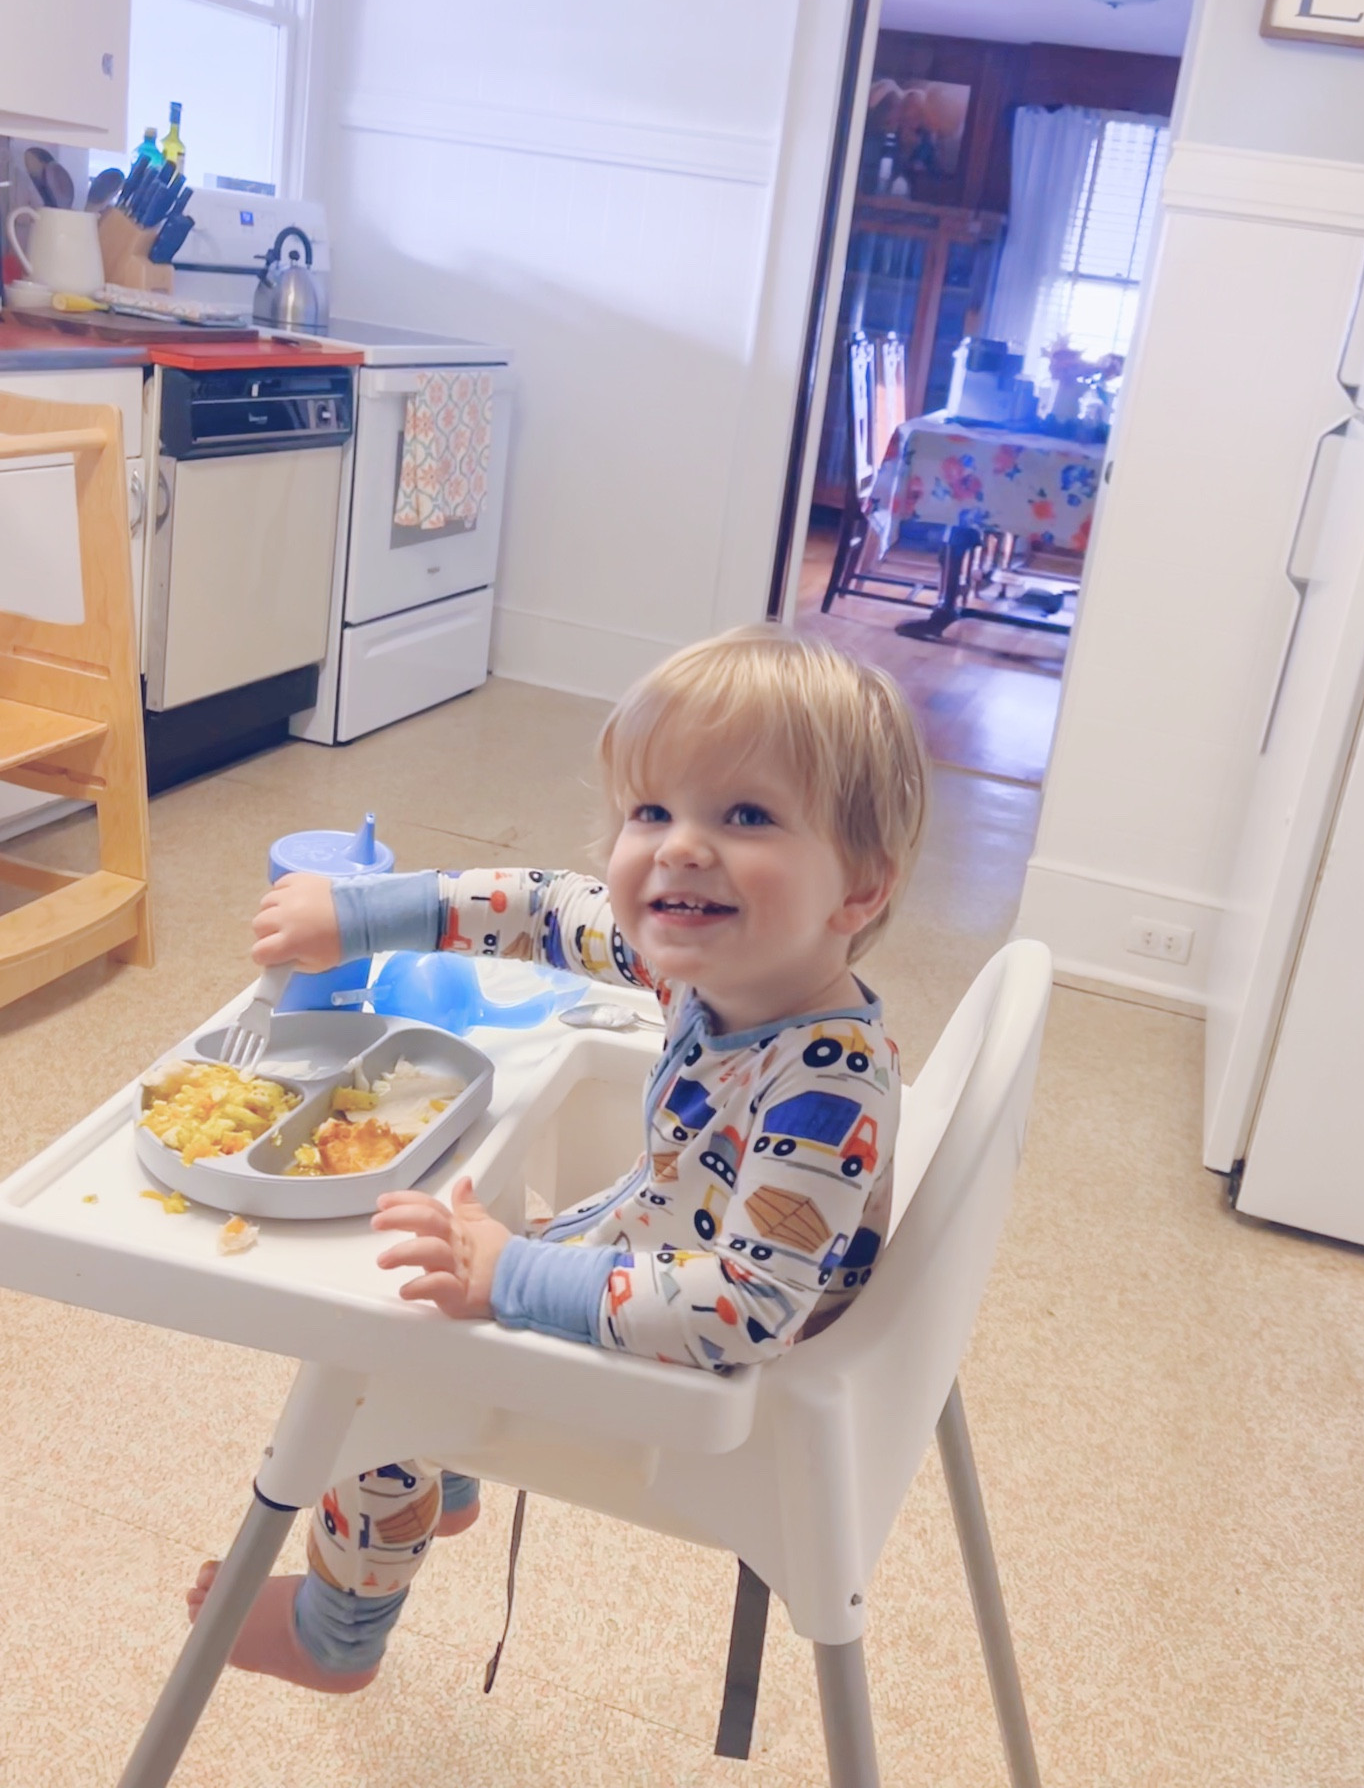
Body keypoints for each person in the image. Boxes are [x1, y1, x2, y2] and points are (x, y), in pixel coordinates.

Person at [188, 624, 928, 1690]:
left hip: (708, 1364)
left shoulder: (825, 1082)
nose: (678, 847)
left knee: (371, 1351)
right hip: (653, 1252)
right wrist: (358, 915)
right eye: (652, 810)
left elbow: (745, 1310)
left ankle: (333, 1631)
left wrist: (513, 1277)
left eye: (747, 814)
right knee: (441, 1266)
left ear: (858, 889)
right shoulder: (724, 969)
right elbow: (547, 907)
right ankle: (435, 1484)